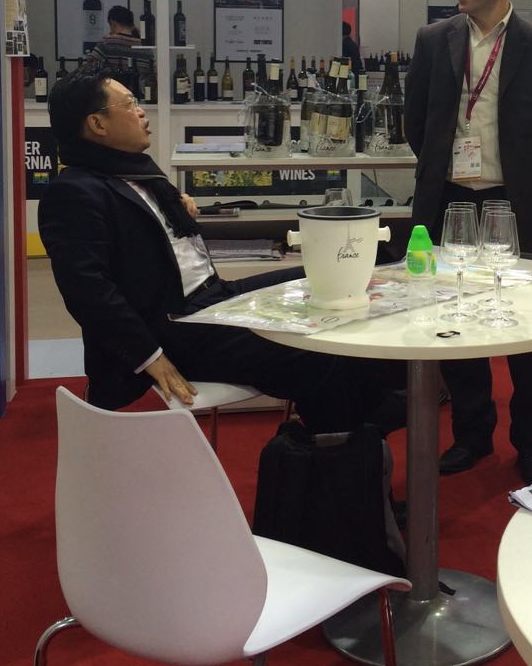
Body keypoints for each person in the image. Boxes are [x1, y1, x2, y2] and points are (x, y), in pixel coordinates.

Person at [39, 69, 398, 430]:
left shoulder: (135, 174)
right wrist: (150, 356)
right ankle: (350, 436)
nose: (142, 111)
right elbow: (88, 291)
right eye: (130, 104)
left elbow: (149, 238)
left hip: (216, 296)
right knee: (319, 353)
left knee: (332, 282)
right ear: (97, 124)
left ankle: (369, 411)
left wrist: (174, 209)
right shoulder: (74, 192)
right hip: (177, 326)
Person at [404, 0, 532, 482]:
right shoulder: (433, 40)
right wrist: (445, 166)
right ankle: (472, 436)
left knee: (528, 332)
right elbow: (415, 122)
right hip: (450, 203)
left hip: (518, 208)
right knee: (456, 326)